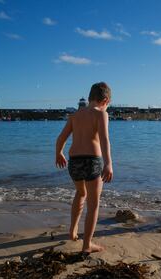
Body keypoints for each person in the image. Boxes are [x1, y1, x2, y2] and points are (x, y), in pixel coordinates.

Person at [55, 82, 113, 254]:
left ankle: (72, 231)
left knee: (80, 193)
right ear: (105, 100)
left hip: (74, 162)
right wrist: (108, 163)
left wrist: (59, 153)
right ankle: (87, 244)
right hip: (92, 162)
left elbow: (61, 138)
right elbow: (104, 140)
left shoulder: (74, 116)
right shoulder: (101, 114)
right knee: (93, 205)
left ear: (89, 98)